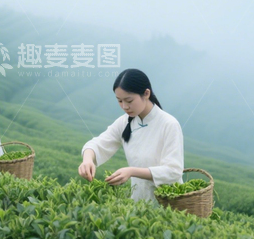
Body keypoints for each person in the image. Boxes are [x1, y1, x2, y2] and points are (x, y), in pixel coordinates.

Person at [78, 68, 184, 201]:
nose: (124, 107)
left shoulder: (169, 124)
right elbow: (97, 143)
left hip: (169, 204)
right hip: (138, 204)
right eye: (119, 101)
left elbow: (173, 171)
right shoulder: (124, 122)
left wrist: (132, 171)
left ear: (146, 93)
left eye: (129, 101)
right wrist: (87, 160)